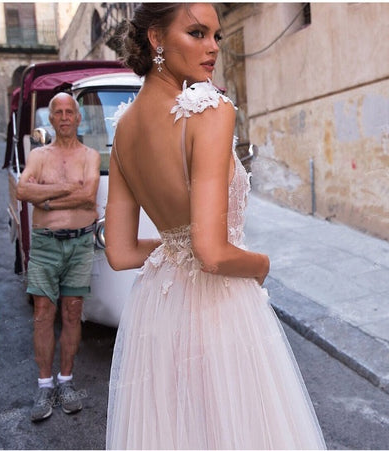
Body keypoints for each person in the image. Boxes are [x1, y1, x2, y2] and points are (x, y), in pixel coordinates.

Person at [105, 3, 326, 449]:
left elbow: (120, 253)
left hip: (158, 312)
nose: (212, 48)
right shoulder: (209, 109)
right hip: (218, 309)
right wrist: (261, 263)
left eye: (216, 36)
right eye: (197, 33)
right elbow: (212, 252)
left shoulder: (124, 127)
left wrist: (174, 247)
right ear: (157, 39)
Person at [16, 92, 101, 422]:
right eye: (58, 112)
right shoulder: (39, 156)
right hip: (45, 243)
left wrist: (46, 199)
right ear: (50, 120)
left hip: (79, 243)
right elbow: (23, 191)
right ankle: (43, 385)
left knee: (72, 311)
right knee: (42, 312)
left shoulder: (90, 156)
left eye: (70, 112)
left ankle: (66, 382)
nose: (65, 117)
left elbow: (89, 196)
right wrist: (68, 192)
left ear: (79, 118)